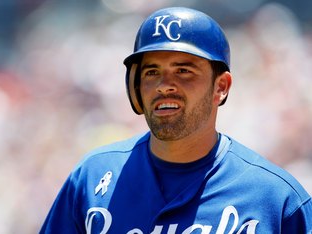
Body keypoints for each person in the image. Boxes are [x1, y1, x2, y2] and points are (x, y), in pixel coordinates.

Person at [40, 7, 312, 233]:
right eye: (151, 72)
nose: (164, 85)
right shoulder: (92, 176)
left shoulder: (276, 200)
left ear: (221, 86)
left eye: (183, 70)